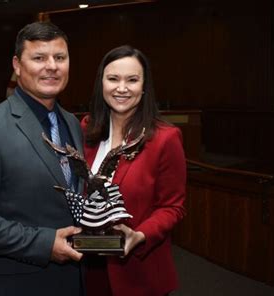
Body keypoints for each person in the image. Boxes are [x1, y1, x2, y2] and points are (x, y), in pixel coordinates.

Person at [0, 21, 85, 296]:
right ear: (17, 65)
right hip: (16, 283)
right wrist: (44, 244)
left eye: (60, 57)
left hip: (72, 280)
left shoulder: (72, 123)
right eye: (38, 58)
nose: (52, 66)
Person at [82, 45, 186, 296]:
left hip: (140, 272)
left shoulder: (165, 138)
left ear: (144, 86)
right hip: (89, 266)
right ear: (102, 83)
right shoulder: (86, 128)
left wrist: (140, 235)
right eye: (113, 78)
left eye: (132, 80)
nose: (121, 88)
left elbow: (173, 207)